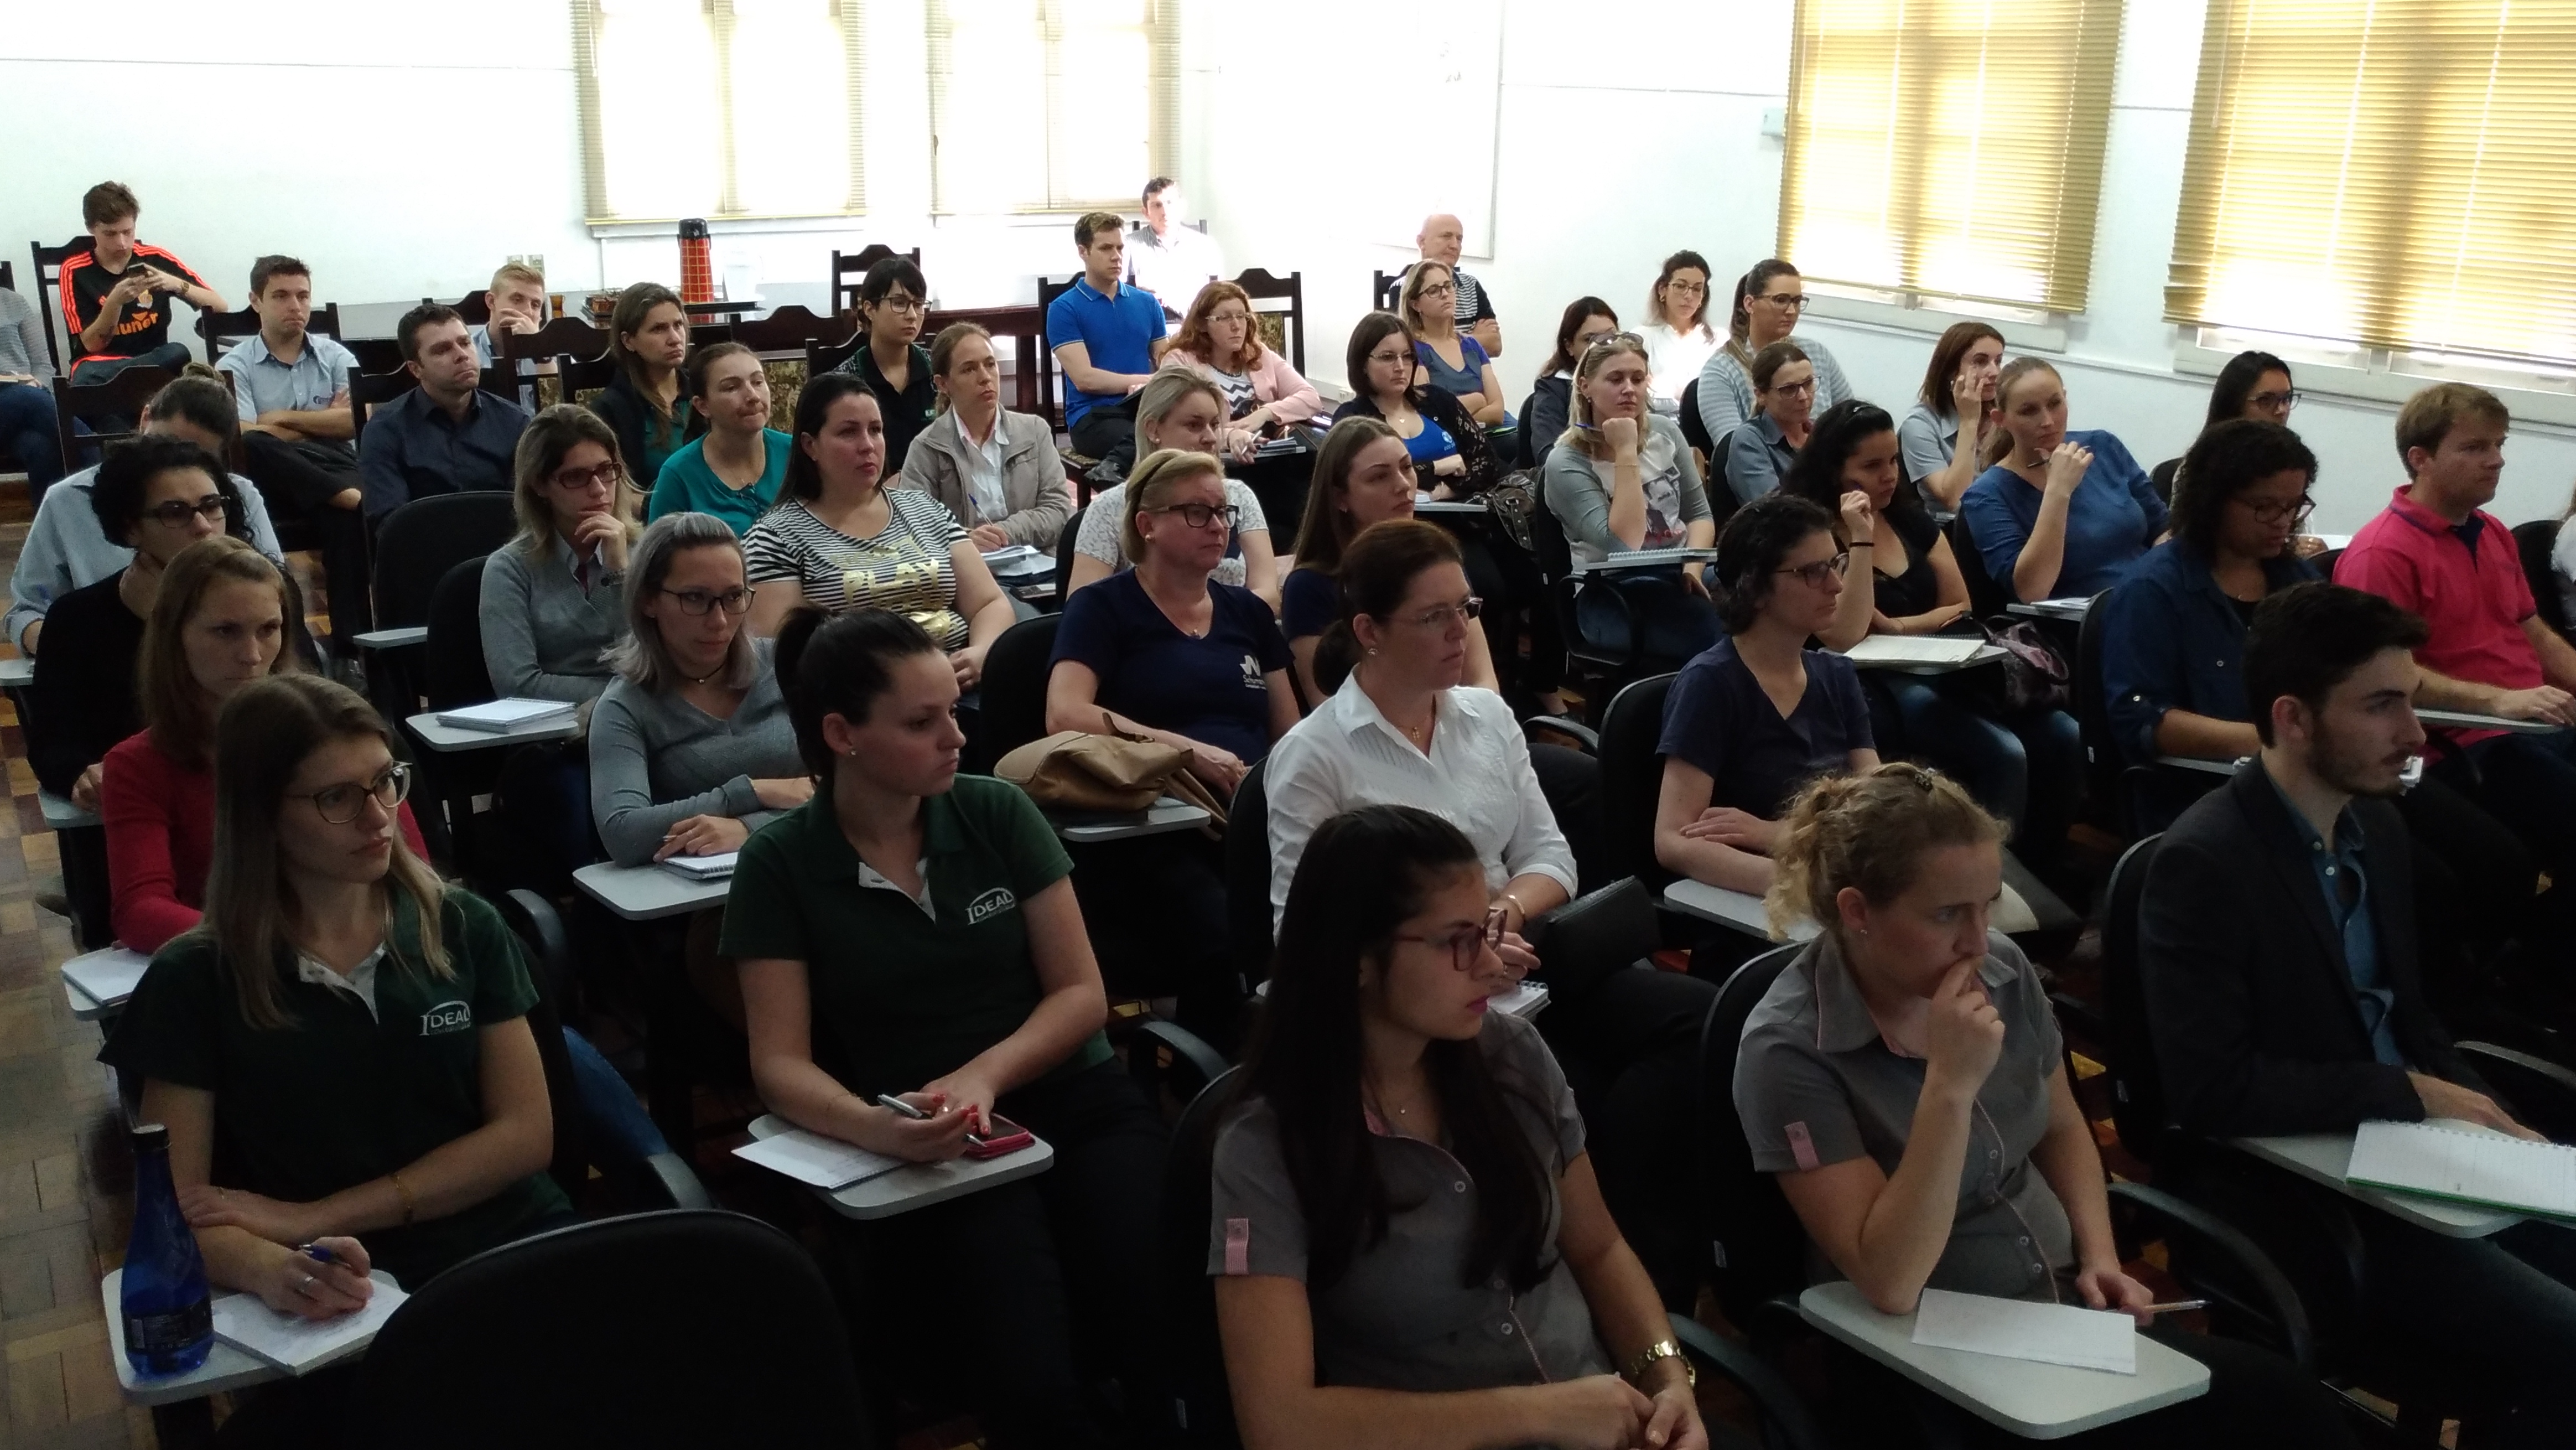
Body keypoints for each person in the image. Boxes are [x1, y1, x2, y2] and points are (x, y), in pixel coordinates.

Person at [1736, 763, 2359, 1450]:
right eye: (1947, 914)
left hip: (2062, 1314)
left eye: (1987, 905)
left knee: (2294, 1412)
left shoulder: (2002, 971)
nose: (1978, 941)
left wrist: (2100, 1255)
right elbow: (1890, 1279)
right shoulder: (1788, 1049)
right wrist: (1949, 1089)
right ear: (1858, 912)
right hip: (1933, 1357)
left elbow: (2061, 1126)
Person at [2139, 582, 2576, 1450]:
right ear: (2293, 719)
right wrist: (2414, 1094)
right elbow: (2209, 1089)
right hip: (2309, 1196)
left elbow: (2412, 1020)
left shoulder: (2375, 828)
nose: (2414, 734)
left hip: (2417, 1160)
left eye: (2411, 701)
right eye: (2382, 707)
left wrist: (2496, 1125)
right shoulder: (2204, 864)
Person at [724, 607, 1166, 1449]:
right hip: (933, 1139)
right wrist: (875, 1128)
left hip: (1070, 1095)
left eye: (953, 712)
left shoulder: (997, 811)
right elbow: (779, 1063)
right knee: (1027, 1370)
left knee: (1155, 1305)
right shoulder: (779, 862)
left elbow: (1081, 995)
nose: (956, 737)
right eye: (921, 722)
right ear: (842, 735)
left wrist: (985, 1076)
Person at [1212, 805, 1705, 1450]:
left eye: (1488, 929)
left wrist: (1667, 1379)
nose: (1492, 964)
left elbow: (1599, 1248)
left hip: (1601, 1420)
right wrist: (1542, 1412)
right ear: (1357, 956)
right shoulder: (1265, 1147)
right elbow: (1280, 1423)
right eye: (1458, 941)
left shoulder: (1513, 1054)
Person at [98, 674, 570, 1340]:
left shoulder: (462, 925)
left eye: (386, 781)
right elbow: (178, 1213)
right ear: (262, 814)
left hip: (515, 1241)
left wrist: (314, 1215)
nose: (379, 817)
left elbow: (525, 1137)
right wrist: (268, 1266)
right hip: (346, 1294)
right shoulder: (194, 978)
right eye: (337, 797)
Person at [1048, 448, 1298, 1039]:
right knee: (1225, 937)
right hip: (1153, 821)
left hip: (1251, 814)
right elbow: (1065, 712)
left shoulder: (1246, 613)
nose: (1218, 526)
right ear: (1147, 525)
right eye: (1196, 512)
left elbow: (1291, 733)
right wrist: (1185, 750)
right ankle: (1216, 1078)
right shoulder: (1103, 607)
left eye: (1223, 512)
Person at [1787, 401, 2080, 866]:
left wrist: (1899, 625)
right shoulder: (1816, 532)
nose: (1889, 476)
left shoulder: (1907, 517)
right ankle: (1990, 884)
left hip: (1942, 659)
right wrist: (1861, 539)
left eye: (1893, 460)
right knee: (2003, 752)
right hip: (1871, 676)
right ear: (1834, 469)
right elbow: (1845, 633)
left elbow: (1961, 603)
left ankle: (2043, 872)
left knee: (2064, 733)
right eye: (1871, 466)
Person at [102, 537, 418, 952]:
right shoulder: (138, 765)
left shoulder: (337, 736)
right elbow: (141, 910)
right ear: (174, 635)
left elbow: (413, 871)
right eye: (226, 631)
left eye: (269, 629)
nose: (252, 656)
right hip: (237, 965)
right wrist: (286, 948)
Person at [1263, 520, 1573, 932]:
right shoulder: (1313, 755)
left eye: (1465, 607)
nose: (1460, 631)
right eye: (1433, 617)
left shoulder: (1489, 715)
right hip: (1403, 968)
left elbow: (1549, 854)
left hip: (1511, 942)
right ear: (1369, 631)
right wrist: (1461, 943)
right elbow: (1301, 932)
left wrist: (1502, 918)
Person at [2335, 382, 2576, 891]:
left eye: (2499, 444)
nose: (2497, 460)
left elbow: (2536, 635)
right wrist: (2500, 700)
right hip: (2462, 743)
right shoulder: (2382, 554)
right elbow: (2382, 678)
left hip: (2529, 726)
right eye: (2475, 447)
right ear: (2420, 459)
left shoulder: (2491, 532)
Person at [1654, 494, 1878, 899]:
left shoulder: (1838, 675)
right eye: (1813, 572)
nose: (1837, 584)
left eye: (1836, 564)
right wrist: (1810, 889)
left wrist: (1775, 834)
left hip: (1840, 877)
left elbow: (1876, 809)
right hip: (1762, 899)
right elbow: (1673, 840)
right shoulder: (1710, 684)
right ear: (1755, 588)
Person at [741, 374, 1013, 697]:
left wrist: (982, 652)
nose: (868, 445)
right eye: (848, 432)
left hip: (963, 687)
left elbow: (989, 603)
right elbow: (784, 657)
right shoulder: (775, 537)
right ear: (810, 445)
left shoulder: (924, 509)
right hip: (861, 700)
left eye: (876, 430)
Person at [29, 438, 255, 806]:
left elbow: (305, 700)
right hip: (142, 803)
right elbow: (53, 745)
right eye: (175, 513)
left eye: (212, 506)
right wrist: (80, 774)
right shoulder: (77, 618)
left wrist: (168, 624)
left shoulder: (269, 596)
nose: (203, 526)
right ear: (131, 528)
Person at [7, 371, 287, 656]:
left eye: (198, 457)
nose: (174, 466)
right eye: (165, 444)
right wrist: (69, 647)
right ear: (145, 419)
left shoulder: (238, 495)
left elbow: (279, 593)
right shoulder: (68, 499)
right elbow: (28, 609)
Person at [590, 512, 809, 868]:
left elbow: (857, 786)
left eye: (734, 597)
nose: (719, 620)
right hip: (701, 893)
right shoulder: (624, 705)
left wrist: (751, 828)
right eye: (695, 598)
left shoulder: (787, 664)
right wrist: (750, 792)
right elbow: (623, 833)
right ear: (648, 600)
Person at [1283, 419, 1502, 701]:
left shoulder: (1437, 561)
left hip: (1459, 718)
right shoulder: (1309, 587)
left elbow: (1483, 680)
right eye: (1379, 477)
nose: (1403, 485)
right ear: (1340, 498)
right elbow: (1328, 705)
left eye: (1407, 467)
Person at [1541, 333, 1718, 663]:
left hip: (1681, 574)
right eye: (1616, 379)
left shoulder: (1665, 432)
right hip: (1611, 593)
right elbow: (1624, 544)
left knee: (1764, 603)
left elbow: (1699, 515)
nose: (1629, 389)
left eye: (1638, 379)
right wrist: (1625, 450)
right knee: (1716, 635)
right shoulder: (1566, 461)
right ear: (1585, 387)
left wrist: (1693, 571)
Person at [221, 255, 372, 636]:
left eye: (303, 296)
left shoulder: (337, 356)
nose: (296, 306)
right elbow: (242, 433)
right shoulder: (235, 365)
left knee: (342, 516)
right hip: (274, 479)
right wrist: (322, 424)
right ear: (256, 301)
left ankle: (349, 648)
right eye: (282, 296)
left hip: (334, 464)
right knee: (254, 443)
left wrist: (278, 418)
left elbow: (355, 421)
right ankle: (344, 496)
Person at [1068, 370, 1282, 610]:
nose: (1211, 438)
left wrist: (1209, 622)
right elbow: (1083, 610)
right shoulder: (1110, 508)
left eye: (1214, 425)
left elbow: (1269, 595)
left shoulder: (1239, 496)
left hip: (1233, 629)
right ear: (1153, 430)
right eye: (1194, 425)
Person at [1960, 358, 2164, 603]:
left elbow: (2164, 528)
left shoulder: (2103, 446)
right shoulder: (1987, 493)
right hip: (2081, 618)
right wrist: (2058, 491)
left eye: (2055, 404)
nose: (2047, 421)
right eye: (2029, 411)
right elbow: (2031, 590)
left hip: (2146, 598)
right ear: (2000, 420)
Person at [480, 407, 636, 704]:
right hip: (552, 726)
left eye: (606, 470)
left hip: (643, 722)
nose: (599, 490)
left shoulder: (646, 552)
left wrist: (620, 574)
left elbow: (653, 664)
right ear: (540, 485)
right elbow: (517, 685)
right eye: (576, 477)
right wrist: (625, 698)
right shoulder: (509, 569)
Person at [902, 323, 1073, 551]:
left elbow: (1058, 509)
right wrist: (966, 539)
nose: (985, 377)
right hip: (963, 564)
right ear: (943, 384)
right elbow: (913, 525)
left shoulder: (1034, 431)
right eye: (969, 370)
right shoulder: (927, 447)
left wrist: (1004, 533)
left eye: (990, 364)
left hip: (1036, 559)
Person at [357, 303, 532, 522]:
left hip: (502, 541)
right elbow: (390, 522)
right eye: (443, 350)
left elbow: (530, 510)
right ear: (416, 369)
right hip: (424, 543)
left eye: (465, 343)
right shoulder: (385, 430)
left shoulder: (514, 422)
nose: (462, 355)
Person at [58, 181, 225, 385]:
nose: (122, 243)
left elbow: (220, 307)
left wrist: (176, 284)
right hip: (101, 364)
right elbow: (92, 345)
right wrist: (114, 303)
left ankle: (131, 379)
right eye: (110, 234)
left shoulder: (155, 258)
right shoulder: (74, 269)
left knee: (178, 352)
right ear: (90, 228)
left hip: (153, 358)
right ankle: (133, 379)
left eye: (128, 232)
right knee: (85, 376)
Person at [1331, 312, 1502, 500]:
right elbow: (1376, 480)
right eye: (1388, 357)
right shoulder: (1352, 419)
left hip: (1460, 509)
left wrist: (1440, 493)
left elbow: (1488, 463)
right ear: (1363, 364)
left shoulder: (1437, 398)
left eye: (1407, 356)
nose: (1400, 367)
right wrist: (1437, 467)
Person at [1047, 210, 1167, 475]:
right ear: (1083, 251)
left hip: (1144, 408)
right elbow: (1085, 379)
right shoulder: (1064, 309)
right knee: (1149, 442)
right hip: (1093, 417)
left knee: (1191, 434)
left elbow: (1167, 361)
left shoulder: (1147, 303)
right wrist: (1148, 381)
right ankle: (1115, 486)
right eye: (1106, 248)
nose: (1116, 256)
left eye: (1120, 248)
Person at [1695, 258, 1849, 444]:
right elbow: (1733, 449)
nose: (1791, 311)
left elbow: (1852, 422)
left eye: (1797, 301)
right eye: (1781, 300)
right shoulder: (1720, 371)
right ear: (1750, 304)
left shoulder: (1816, 353)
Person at [646, 342, 790, 536]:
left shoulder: (798, 453)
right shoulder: (679, 475)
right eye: (731, 388)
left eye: (758, 382)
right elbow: (658, 551)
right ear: (702, 406)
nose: (753, 396)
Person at [1157, 281, 1322, 444]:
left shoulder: (1259, 354)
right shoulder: (1180, 361)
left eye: (1241, 316)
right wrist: (1230, 436)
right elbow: (1177, 426)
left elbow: (1311, 398)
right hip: (1212, 454)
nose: (1236, 326)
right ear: (1202, 324)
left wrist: (1264, 414)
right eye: (1225, 318)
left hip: (1268, 450)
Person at [832, 256, 939, 478]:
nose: (912, 316)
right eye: (899, 303)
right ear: (870, 309)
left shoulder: (937, 372)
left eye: (918, 305)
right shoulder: (847, 382)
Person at [588, 281, 702, 489]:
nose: (675, 339)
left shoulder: (703, 388)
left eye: (678, 325)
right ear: (628, 341)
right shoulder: (611, 409)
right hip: (653, 507)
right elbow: (615, 489)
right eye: (659, 329)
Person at [2150, 350, 2299, 503]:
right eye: (2266, 400)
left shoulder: (2291, 470)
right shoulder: (2199, 471)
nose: (2282, 410)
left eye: (2286, 399)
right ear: (2234, 405)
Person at [1899, 321, 2005, 511]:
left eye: (1998, 361)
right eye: (1981, 362)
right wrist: (1969, 422)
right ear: (1950, 371)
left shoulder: (2002, 414)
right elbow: (1955, 500)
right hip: (1949, 524)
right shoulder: (1919, 424)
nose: (1995, 372)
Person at [1378, 213, 1503, 359]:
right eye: (1446, 236)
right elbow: (1410, 349)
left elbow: (1495, 346)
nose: (1454, 245)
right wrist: (1474, 338)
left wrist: (1439, 342)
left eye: (1459, 239)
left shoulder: (1471, 285)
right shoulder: (1403, 287)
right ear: (1422, 242)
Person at [1399, 262, 1507, 428]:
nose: (1445, 294)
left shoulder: (1472, 345)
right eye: (1434, 291)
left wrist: (1455, 417)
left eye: (1448, 286)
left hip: (1491, 434)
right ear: (1415, 304)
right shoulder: (1414, 350)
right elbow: (1428, 415)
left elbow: (1497, 412)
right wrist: (1477, 400)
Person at [1520, 298, 1618, 468]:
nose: (1602, 347)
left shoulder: (1630, 380)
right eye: (1590, 340)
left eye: (1610, 338)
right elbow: (1547, 454)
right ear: (1569, 346)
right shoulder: (1554, 387)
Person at [1722, 341, 1816, 504]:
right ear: (1761, 395)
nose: (1803, 397)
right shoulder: (1749, 440)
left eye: (1808, 384)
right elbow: (1775, 510)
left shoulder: (1823, 432)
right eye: (1789, 389)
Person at [1125, 177, 1227, 320]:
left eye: (1170, 203)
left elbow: (1221, 293)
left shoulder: (1205, 245)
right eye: (1157, 205)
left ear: (1181, 207)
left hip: (1195, 323)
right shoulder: (1129, 246)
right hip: (1149, 323)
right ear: (1146, 213)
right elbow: (1117, 291)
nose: (1164, 211)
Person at [0, 279, 63, 493]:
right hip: (24, 400)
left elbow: (43, 366)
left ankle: (50, 519)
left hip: (25, 404)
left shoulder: (13, 301)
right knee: (30, 398)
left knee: (41, 448)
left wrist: (37, 383)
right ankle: (103, 475)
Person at [1639, 250, 1718, 404]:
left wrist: (1660, 388)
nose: (1689, 296)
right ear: (1663, 289)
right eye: (1681, 286)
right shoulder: (1643, 338)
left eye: (1697, 289)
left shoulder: (1719, 340)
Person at [468, 260, 552, 370]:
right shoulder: (466, 353)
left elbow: (559, 381)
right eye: (517, 300)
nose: (528, 311)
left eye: (535, 305)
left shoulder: (553, 354)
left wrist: (537, 347)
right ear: (492, 302)